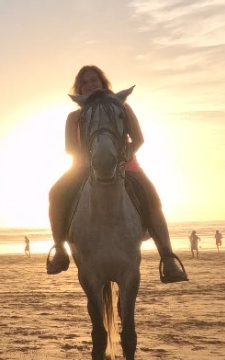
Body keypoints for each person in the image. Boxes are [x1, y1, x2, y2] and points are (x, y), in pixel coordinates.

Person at [46, 65, 188, 283]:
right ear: (80, 89)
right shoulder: (74, 116)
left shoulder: (121, 107)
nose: (90, 85)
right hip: (83, 168)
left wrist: (127, 153)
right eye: (85, 82)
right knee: (55, 193)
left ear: (103, 83)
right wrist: (91, 158)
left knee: (152, 198)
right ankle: (60, 250)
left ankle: (168, 257)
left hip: (125, 166)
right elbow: (69, 148)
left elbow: (138, 138)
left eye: (95, 80)